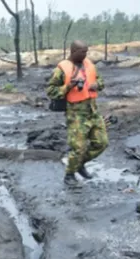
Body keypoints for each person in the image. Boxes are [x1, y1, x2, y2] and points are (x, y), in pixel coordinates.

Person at [47, 40, 108, 187]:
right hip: (76, 114)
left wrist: (97, 85)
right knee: (78, 147)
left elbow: (101, 81)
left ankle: (79, 164)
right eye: (82, 52)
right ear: (73, 51)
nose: (85, 54)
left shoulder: (89, 64)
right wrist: (68, 86)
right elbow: (50, 91)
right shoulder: (62, 69)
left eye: (86, 51)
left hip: (92, 111)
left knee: (101, 143)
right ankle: (69, 174)